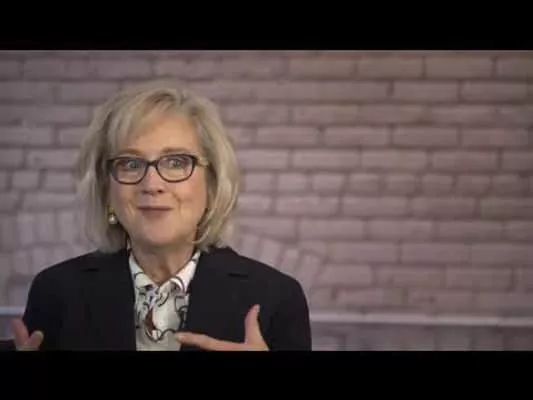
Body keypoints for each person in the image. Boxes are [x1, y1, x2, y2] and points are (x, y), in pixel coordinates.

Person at [1, 81, 312, 351]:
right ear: (107, 189)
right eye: (130, 164)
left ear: (212, 183)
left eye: (176, 162)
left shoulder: (276, 298)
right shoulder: (57, 292)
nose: (152, 184)